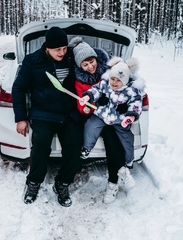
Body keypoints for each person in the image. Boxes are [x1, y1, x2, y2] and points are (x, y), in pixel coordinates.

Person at [12, 27, 83, 207]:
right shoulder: (32, 61)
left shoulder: (72, 57)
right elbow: (18, 88)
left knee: (75, 145)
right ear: (47, 48)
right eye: (57, 49)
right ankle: (33, 182)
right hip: (43, 113)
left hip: (68, 112)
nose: (62, 52)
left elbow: (92, 64)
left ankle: (62, 183)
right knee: (41, 143)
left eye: (64, 48)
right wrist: (20, 118)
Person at [69, 37, 145, 203]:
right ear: (79, 66)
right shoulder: (80, 80)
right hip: (96, 115)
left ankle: (114, 181)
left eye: (91, 61)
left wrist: (128, 110)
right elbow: (87, 98)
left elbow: (133, 94)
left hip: (115, 117)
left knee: (115, 141)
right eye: (85, 64)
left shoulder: (112, 71)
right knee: (101, 132)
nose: (90, 67)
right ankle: (117, 171)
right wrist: (89, 104)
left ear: (96, 58)